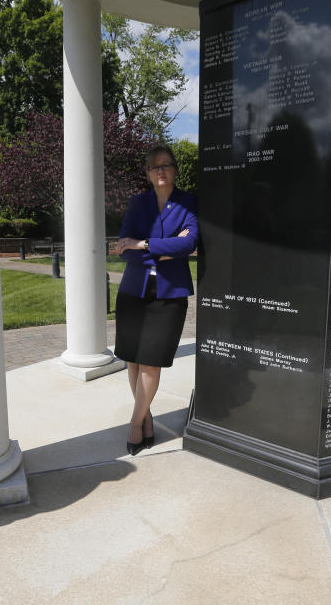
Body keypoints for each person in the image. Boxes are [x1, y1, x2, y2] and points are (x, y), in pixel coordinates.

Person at [115, 144, 198, 456]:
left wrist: (145, 243)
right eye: (154, 166)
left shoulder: (189, 202)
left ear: (175, 170)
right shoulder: (138, 204)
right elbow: (124, 243)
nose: (160, 170)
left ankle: (135, 424)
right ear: (148, 174)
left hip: (170, 293)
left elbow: (189, 242)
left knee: (151, 363)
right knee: (133, 359)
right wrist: (166, 247)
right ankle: (146, 416)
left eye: (166, 165)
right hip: (133, 290)